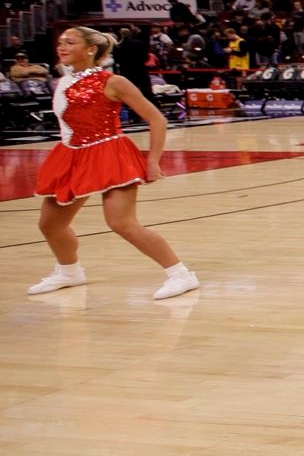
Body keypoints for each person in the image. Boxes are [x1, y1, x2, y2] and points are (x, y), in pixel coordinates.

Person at [27, 26, 198, 300]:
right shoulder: (63, 81)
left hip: (109, 154)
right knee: (50, 224)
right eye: (60, 42)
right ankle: (69, 271)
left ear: (91, 49)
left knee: (121, 222)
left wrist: (152, 161)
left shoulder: (113, 82)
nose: (62, 47)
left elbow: (157, 119)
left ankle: (181, 275)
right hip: (71, 155)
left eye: (70, 42)